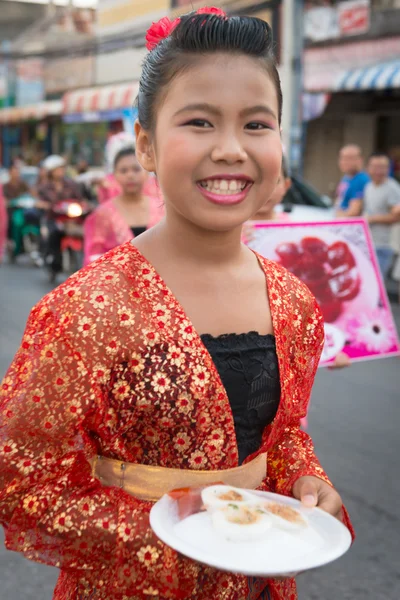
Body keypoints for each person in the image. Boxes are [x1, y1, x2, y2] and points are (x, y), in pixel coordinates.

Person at [0, 9, 353, 600]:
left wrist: (306, 478)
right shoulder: (89, 309)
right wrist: (167, 534)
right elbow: (17, 480)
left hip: (258, 581)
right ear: (146, 144)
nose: (231, 149)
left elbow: (285, 433)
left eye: (257, 125)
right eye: (199, 122)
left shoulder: (293, 301)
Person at [83, 146, 163, 265]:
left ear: (147, 172)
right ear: (114, 175)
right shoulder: (103, 213)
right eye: (124, 171)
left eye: (136, 169)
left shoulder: (162, 208)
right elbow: (94, 256)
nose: (130, 175)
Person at [38, 155, 83, 280]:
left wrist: (86, 205)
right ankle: (52, 260)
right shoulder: (45, 187)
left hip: (70, 218)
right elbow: (40, 200)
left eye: (62, 168)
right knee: (53, 234)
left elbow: (80, 199)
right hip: (53, 218)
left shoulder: (71, 184)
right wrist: (43, 205)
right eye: (57, 169)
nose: (60, 171)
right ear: (51, 171)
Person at [363, 153, 400, 278]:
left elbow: (396, 216)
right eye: (375, 167)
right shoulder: (368, 187)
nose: (378, 171)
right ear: (368, 168)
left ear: (388, 169)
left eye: (382, 167)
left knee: (378, 286)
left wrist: (372, 219)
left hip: (384, 245)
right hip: (369, 243)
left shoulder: (392, 188)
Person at [335, 144, 370, 218]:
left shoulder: (361, 180)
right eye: (342, 158)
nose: (344, 161)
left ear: (360, 160)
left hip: (350, 224)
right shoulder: (346, 177)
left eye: (349, 158)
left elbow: (354, 211)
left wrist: (338, 218)